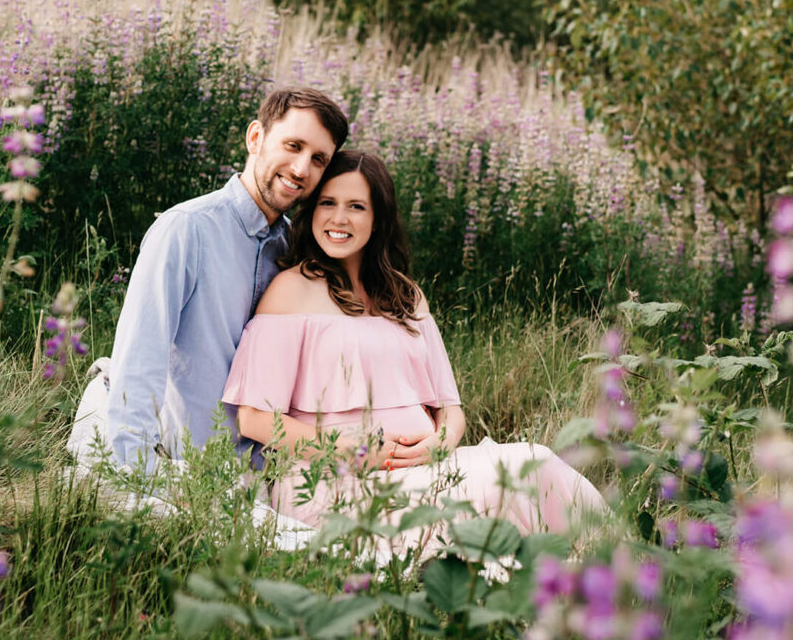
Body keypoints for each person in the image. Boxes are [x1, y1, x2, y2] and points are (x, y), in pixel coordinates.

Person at [223, 151, 606, 544]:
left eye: (356, 206)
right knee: (514, 479)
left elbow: (450, 409)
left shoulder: (406, 297)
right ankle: (608, 566)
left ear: (378, 219)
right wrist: (349, 451)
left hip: (421, 470)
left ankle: (612, 561)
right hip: (333, 484)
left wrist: (441, 443)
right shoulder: (291, 290)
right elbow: (254, 418)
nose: (339, 218)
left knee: (533, 460)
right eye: (327, 203)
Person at [81, 87, 351, 474]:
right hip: (176, 469)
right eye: (293, 146)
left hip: (261, 478)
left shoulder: (297, 253)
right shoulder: (187, 229)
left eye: (318, 160)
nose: (301, 169)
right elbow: (140, 359)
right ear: (255, 137)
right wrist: (136, 477)